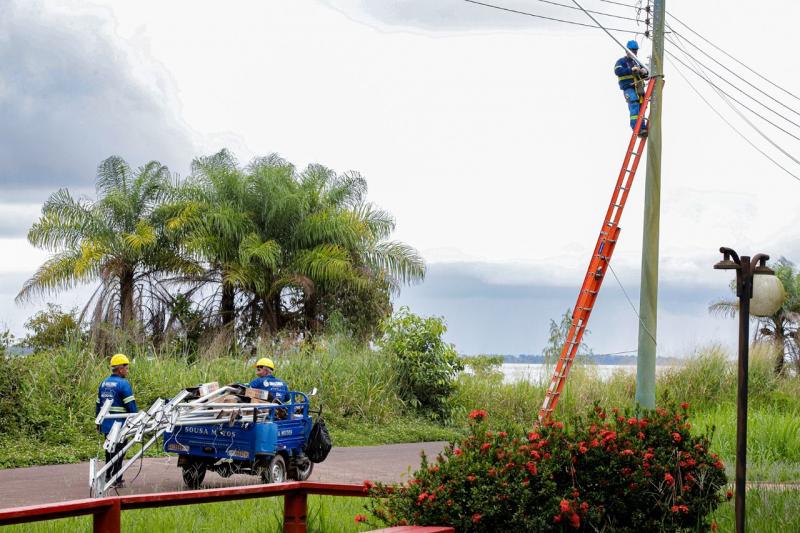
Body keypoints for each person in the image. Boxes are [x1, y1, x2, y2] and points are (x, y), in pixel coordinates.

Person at [96, 353, 138, 488]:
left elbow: (98, 405)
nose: (127, 370)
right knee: (119, 452)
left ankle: (108, 475)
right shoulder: (123, 384)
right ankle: (117, 479)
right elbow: (131, 406)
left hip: (106, 425)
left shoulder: (103, 383)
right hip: (120, 425)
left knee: (109, 450)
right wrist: (136, 420)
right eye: (126, 368)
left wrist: (99, 423)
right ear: (120, 369)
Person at [614, 40, 650, 137]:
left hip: (639, 88)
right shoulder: (622, 61)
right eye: (632, 50)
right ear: (627, 50)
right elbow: (617, 71)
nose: (634, 52)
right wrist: (631, 70)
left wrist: (644, 72)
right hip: (629, 88)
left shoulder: (637, 62)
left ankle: (641, 128)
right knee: (634, 104)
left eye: (635, 50)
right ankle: (636, 128)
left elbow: (647, 75)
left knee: (642, 107)